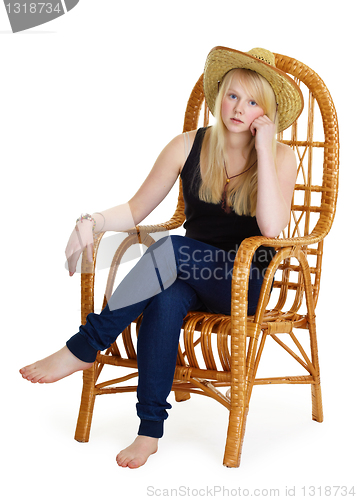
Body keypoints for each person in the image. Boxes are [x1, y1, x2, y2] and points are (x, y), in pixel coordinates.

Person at [20, 46, 303, 468]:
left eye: (253, 101)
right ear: (219, 93)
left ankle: (85, 346)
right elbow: (136, 210)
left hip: (244, 284)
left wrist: (263, 148)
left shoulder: (280, 156)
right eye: (232, 96)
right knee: (166, 299)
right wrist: (91, 220)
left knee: (171, 249)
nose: (238, 108)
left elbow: (271, 229)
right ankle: (149, 430)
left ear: (266, 112)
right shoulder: (188, 145)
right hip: (188, 270)